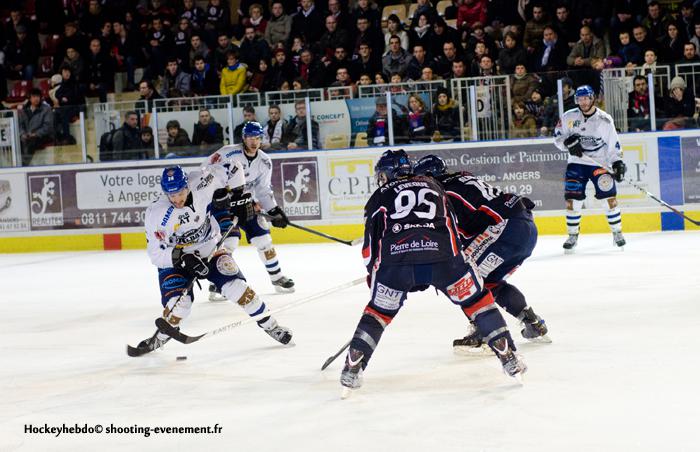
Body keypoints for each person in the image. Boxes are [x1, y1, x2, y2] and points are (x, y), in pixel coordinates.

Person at [340, 149, 526, 395]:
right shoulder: (435, 187)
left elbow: (369, 248)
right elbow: (451, 227)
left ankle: (352, 368)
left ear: (386, 174)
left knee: (378, 313)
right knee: (477, 302)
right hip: (444, 259)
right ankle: (508, 356)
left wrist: (374, 276)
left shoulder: (379, 196)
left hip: (396, 264)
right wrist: (454, 262)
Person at [137, 164, 292, 352]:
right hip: (176, 261)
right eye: (172, 195)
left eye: (180, 193)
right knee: (180, 307)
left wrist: (238, 196)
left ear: (187, 185)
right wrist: (183, 258)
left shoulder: (203, 181)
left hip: (210, 248)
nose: (177, 199)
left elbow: (233, 167)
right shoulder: (155, 214)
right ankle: (160, 338)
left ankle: (272, 326)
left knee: (240, 290)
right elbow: (155, 254)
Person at [413, 155, 548, 352]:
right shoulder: (459, 179)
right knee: (490, 282)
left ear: (428, 176)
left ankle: (483, 333)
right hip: (525, 226)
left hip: (504, 228)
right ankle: (532, 322)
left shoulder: (441, 193)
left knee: (463, 279)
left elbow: (450, 236)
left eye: (420, 179)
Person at [207, 121, 295, 298]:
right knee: (229, 243)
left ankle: (277, 277)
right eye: (250, 138)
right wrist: (217, 193)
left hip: (247, 205)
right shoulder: (227, 153)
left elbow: (263, 190)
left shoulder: (264, 161)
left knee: (264, 240)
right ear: (243, 138)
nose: (254, 142)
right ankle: (217, 283)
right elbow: (206, 171)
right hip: (224, 207)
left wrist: (274, 210)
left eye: (257, 138)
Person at [554, 85, 627, 251]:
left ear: (592, 98)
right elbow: (558, 138)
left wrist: (617, 162)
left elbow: (613, 144)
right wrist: (567, 143)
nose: (583, 102)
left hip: (599, 162)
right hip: (576, 163)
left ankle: (617, 232)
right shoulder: (568, 117)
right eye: (580, 99)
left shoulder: (604, 119)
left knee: (609, 199)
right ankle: (572, 236)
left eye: (586, 98)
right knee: (572, 200)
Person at [18, 89, 55, 166]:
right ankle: (18, 164)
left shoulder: (46, 109)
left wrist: (36, 134)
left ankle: (24, 165)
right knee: (18, 142)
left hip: (43, 136)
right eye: (34, 96)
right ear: (30, 98)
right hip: (28, 135)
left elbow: (48, 126)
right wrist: (22, 134)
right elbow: (20, 125)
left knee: (32, 142)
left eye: (38, 96)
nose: (36, 99)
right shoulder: (24, 110)